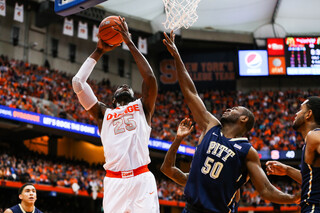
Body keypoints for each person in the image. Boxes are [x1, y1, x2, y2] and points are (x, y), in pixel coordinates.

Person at [161, 31, 299, 213]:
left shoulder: (247, 152)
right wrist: (177, 56)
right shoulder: (211, 125)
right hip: (190, 209)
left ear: (244, 119)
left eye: (235, 109)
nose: (228, 109)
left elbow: (265, 189)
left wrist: (292, 198)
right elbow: (191, 92)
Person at [72, 17, 159, 213]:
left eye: (128, 86)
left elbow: (150, 78)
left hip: (141, 178)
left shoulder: (143, 106)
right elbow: (78, 83)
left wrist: (129, 42)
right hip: (114, 181)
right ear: (112, 100)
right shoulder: (104, 113)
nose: (125, 85)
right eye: (120, 86)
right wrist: (99, 51)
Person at [266, 96, 320, 213]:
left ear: (308, 114)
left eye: (300, 109)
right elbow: (313, 180)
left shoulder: (314, 136)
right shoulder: (310, 140)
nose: (296, 113)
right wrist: (287, 170)